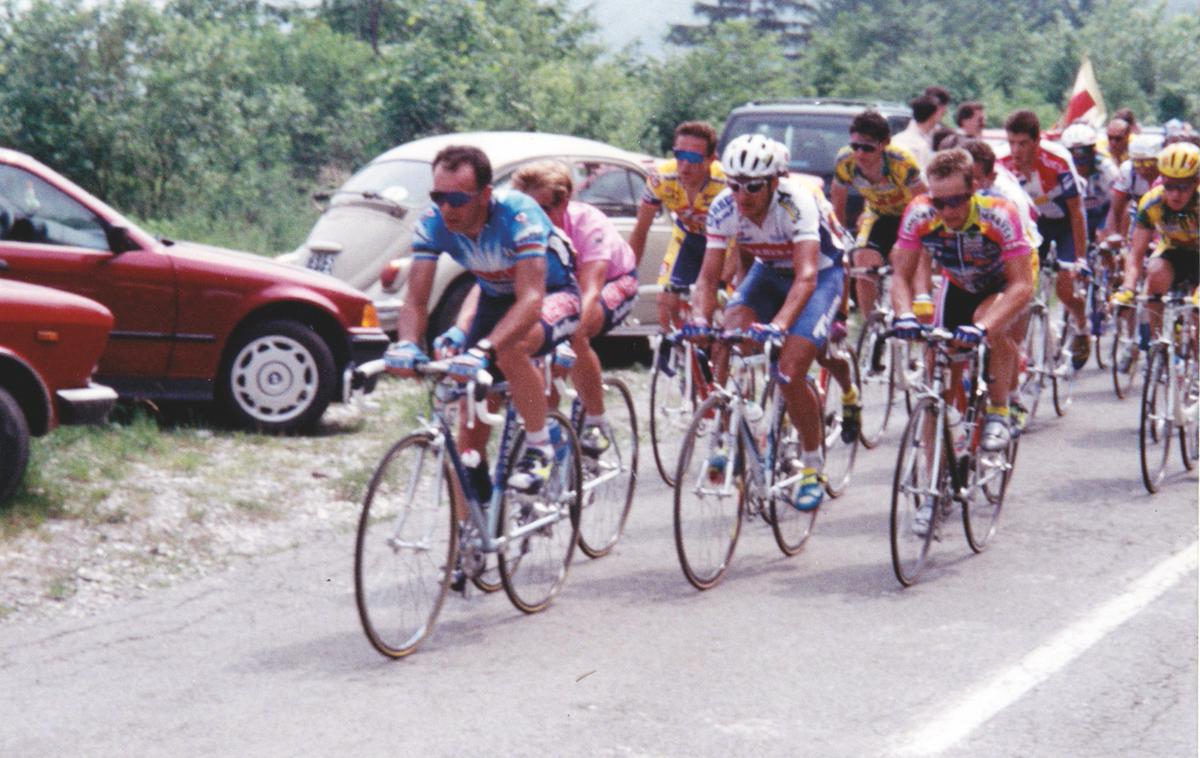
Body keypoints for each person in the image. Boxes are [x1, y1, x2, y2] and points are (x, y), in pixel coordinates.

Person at [384, 145, 581, 496]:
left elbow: (531, 300)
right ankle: (473, 533)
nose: (446, 208)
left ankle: (540, 448)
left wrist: (485, 350)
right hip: (495, 298)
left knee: (510, 350)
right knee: (469, 418)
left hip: (551, 293)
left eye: (457, 199)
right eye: (438, 196)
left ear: (485, 195)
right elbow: (415, 299)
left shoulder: (519, 215)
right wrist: (408, 343)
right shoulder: (433, 222)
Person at [689, 135, 855, 511]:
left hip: (819, 277)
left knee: (790, 371)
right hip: (768, 273)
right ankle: (732, 432)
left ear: (773, 183)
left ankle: (813, 466)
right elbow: (708, 277)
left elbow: (807, 277)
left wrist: (779, 325)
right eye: (733, 184)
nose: (741, 195)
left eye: (752, 186)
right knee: (728, 336)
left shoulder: (796, 202)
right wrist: (700, 318)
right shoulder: (722, 208)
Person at [889, 149, 1034, 531]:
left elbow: (1022, 285)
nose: (948, 210)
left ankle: (1001, 409)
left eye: (956, 200)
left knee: (988, 325)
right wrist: (904, 315)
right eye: (940, 201)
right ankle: (933, 489)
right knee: (935, 380)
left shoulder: (999, 214)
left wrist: (985, 329)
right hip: (957, 285)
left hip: (1002, 284)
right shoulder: (920, 212)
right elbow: (900, 275)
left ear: (974, 190)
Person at [510, 160, 639, 456]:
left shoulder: (588, 223)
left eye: (543, 209)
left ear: (563, 202)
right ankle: (548, 430)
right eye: (526, 210)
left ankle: (596, 422)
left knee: (574, 334)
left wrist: (568, 332)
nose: (533, 219)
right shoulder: (521, 227)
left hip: (614, 281)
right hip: (563, 287)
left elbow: (590, 290)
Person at [1000, 109, 1090, 368]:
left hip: (1064, 223)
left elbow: (1076, 211)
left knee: (1065, 288)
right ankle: (1021, 353)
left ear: (1037, 141)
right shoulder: (1002, 161)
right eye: (1011, 143)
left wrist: (1081, 259)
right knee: (1021, 288)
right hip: (1033, 225)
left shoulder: (1058, 159)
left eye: (1023, 143)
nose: (1016, 150)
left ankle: (1081, 326)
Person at [627, 121, 728, 333]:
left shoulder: (725, 182)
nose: (684, 165)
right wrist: (628, 274)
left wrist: (724, 280)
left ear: (711, 160)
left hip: (724, 244)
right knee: (665, 300)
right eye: (679, 155)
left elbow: (742, 239)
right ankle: (679, 357)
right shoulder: (661, 177)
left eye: (693, 158)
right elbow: (641, 229)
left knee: (717, 303)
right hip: (687, 237)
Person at [830, 109, 928, 322]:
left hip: (908, 217)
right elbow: (838, 201)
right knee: (863, 263)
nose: (860, 154)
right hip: (877, 215)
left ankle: (906, 318)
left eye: (868, 148)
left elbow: (922, 204)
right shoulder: (846, 161)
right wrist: (839, 234)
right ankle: (871, 327)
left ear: (884, 144)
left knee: (902, 262)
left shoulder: (901, 162)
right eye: (855, 146)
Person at [1113, 142, 1200, 343]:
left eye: (1182, 187)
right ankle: (1154, 347)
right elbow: (1136, 254)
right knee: (1155, 270)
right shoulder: (1152, 203)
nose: (1175, 195)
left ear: (1196, 182)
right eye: (1168, 186)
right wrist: (1127, 288)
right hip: (1173, 252)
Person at [1060, 122, 1119, 242]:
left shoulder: (1107, 168)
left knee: (1105, 243)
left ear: (1093, 151)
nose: (1079, 163)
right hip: (1074, 213)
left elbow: (1118, 203)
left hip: (1103, 212)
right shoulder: (1061, 169)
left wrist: (1108, 228)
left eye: (1083, 154)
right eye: (1073, 155)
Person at [1104, 133, 1162, 241]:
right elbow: (1116, 209)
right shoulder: (1128, 170)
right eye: (1137, 163)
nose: (1143, 169)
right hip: (1142, 214)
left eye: (1148, 163)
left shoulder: (1167, 173)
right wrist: (1113, 235)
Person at [892, 94, 942, 169]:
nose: (940, 117)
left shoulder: (895, 138)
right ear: (933, 116)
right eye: (939, 113)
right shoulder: (920, 146)